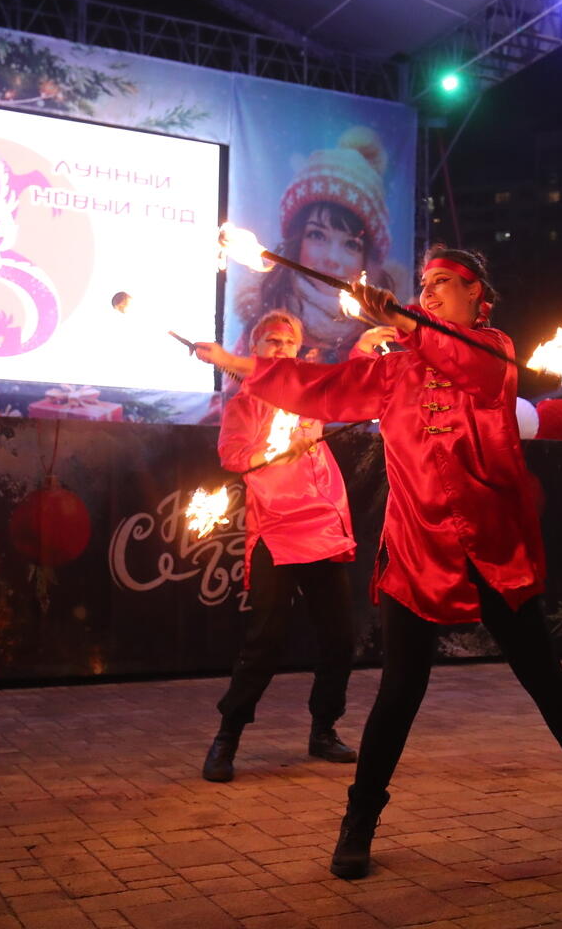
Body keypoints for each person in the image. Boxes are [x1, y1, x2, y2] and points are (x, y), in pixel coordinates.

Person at [194, 246, 562, 880]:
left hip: (491, 546)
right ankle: (359, 819)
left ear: (476, 295)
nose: (431, 290)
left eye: (444, 282)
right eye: (425, 283)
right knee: (400, 690)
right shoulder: (397, 370)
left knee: (544, 675)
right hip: (418, 548)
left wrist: (406, 322)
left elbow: (476, 371)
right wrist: (240, 364)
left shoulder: (494, 350)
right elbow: (322, 388)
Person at [200, 309, 379, 783]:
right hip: (276, 529)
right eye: (272, 342)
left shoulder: (309, 391)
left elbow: (350, 386)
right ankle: (227, 737)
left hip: (322, 527)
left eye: (288, 343)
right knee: (264, 642)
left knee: (339, 639)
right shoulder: (244, 403)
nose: (281, 349)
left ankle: (324, 730)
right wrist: (279, 452)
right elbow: (233, 457)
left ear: (299, 351)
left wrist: (363, 348)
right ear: (255, 349)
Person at [232, 126, 399, 361]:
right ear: (297, 240)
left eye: (351, 245)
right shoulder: (265, 326)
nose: (332, 258)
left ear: (367, 259)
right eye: (317, 236)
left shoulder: (381, 337)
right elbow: (238, 382)